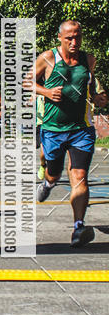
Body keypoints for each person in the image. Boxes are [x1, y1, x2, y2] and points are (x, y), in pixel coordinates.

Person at [35, 20, 107, 247]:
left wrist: (97, 97)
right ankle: (47, 184)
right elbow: (26, 82)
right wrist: (46, 91)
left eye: (78, 37)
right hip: (53, 130)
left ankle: (78, 227)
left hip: (81, 130)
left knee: (79, 176)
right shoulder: (47, 58)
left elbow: (90, 86)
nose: (74, 42)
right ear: (59, 38)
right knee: (54, 174)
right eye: (69, 38)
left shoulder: (89, 60)